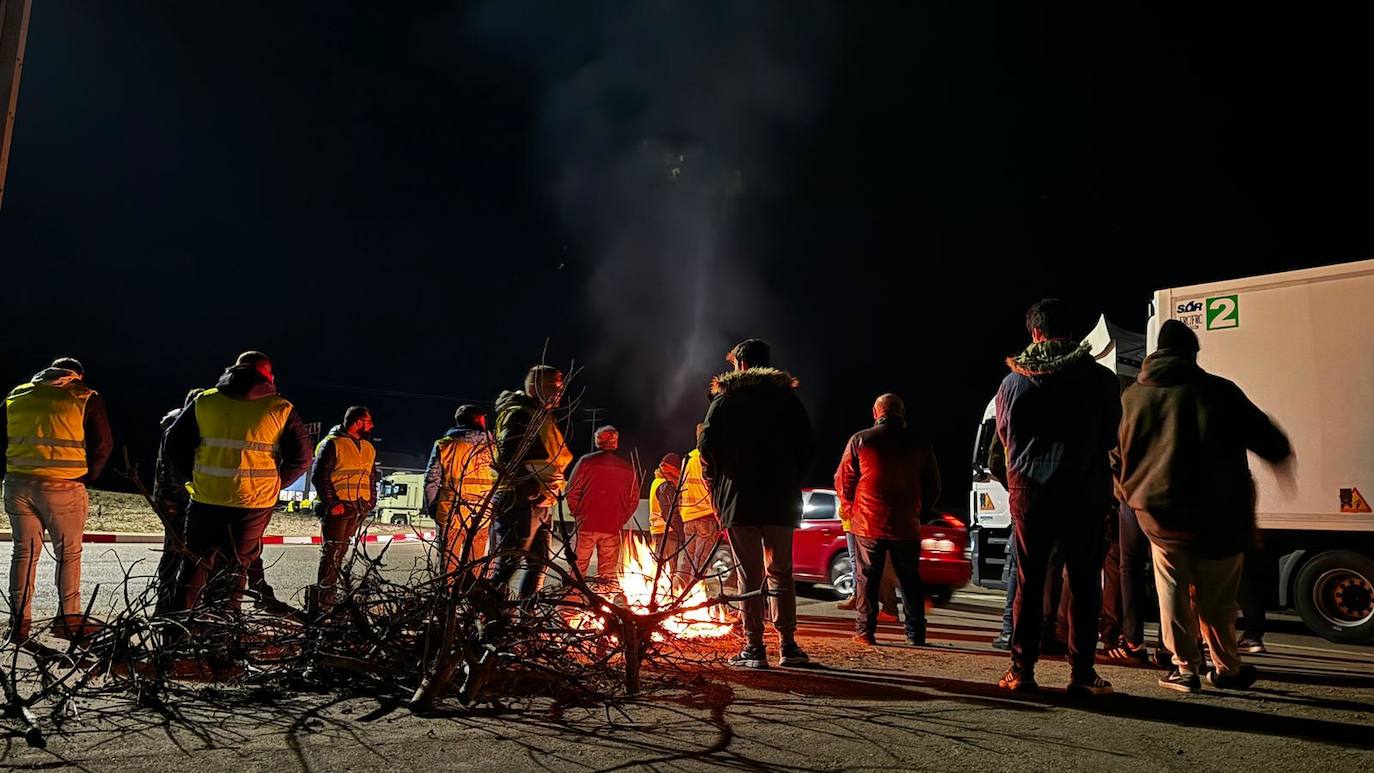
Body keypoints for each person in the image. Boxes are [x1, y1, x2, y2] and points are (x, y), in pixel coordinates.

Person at [1116, 320, 1293, 692]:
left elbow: (1115, 457)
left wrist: (1129, 494)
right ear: (1192, 354)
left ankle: (1184, 670)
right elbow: (1270, 441)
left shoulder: (1131, 398)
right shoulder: (1220, 391)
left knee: (1173, 593)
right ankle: (1226, 667)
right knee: (1217, 599)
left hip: (1160, 518)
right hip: (1220, 518)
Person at [995, 299, 1120, 696]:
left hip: (1031, 493)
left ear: (1034, 332)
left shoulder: (1013, 382)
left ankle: (1022, 671)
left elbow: (1004, 438)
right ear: (1073, 331)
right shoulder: (1100, 380)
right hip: (1085, 492)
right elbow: (1110, 437)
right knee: (1084, 584)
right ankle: (1082, 674)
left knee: (1030, 584)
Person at [166, 352, 312, 610]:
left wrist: (194, 477)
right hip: (253, 505)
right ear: (267, 375)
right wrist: (275, 486)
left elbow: (174, 443)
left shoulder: (205, 401)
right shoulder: (280, 408)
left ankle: (177, 633)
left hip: (206, 499)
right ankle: (224, 632)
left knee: (194, 565)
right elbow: (302, 458)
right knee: (236, 566)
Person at [700, 338, 812, 669]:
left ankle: (753, 648)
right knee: (782, 574)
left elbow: (706, 447)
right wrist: (789, 476)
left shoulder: (725, 401)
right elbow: (806, 444)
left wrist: (718, 483)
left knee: (749, 576)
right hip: (781, 499)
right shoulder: (788, 399)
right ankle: (788, 646)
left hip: (739, 500)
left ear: (742, 365)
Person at [2, 357, 113, 640]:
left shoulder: (18, 395)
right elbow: (103, 445)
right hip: (64, 485)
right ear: (77, 375)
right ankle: (68, 620)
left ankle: (19, 623)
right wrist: (86, 477)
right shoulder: (84, 396)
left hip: (17, 484)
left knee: (24, 555)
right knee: (68, 555)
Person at [835, 393, 940, 646]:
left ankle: (865, 632)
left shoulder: (861, 440)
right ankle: (916, 634)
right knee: (909, 579)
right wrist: (919, 513)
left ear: (875, 413)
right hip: (906, 524)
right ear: (902, 414)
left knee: (867, 577)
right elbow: (933, 486)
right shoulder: (920, 444)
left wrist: (852, 509)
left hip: (868, 523)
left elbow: (843, 481)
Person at [488, 365, 574, 599]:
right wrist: (530, 489)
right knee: (509, 564)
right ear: (536, 387)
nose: (559, 393)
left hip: (539, 502)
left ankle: (527, 618)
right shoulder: (520, 415)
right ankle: (488, 616)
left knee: (539, 564)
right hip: (520, 501)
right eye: (554, 387)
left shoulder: (539, 416)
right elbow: (507, 459)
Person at [310, 406, 378, 611]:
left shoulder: (368, 447)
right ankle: (325, 596)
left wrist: (370, 501)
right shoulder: (332, 444)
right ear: (358, 422)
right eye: (369, 422)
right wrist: (333, 504)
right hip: (339, 507)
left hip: (358, 506)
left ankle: (333, 591)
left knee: (342, 550)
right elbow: (319, 477)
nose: (372, 426)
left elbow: (371, 477)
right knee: (332, 551)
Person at [423, 405, 497, 575]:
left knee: (448, 566)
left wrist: (433, 507)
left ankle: (447, 599)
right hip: (482, 515)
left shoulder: (444, 445)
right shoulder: (493, 449)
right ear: (478, 420)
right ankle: (471, 597)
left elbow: (431, 480)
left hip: (450, 513)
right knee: (475, 564)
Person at [152, 387, 204, 613]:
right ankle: (168, 608)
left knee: (175, 553)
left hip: (170, 500)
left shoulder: (175, 428)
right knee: (176, 554)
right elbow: (172, 470)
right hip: (178, 500)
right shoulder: (182, 431)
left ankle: (169, 606)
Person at [566, 425, 638, 580]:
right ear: (615, 442)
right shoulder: (627, 468)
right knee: (607, 574)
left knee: (576, 571)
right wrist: (621, 518)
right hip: (612, 527)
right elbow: (633, 499)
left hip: (586, 525)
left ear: (598, 440)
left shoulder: (586, 462)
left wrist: (578, 513)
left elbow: (571, 491)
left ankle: (570, 601)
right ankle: (603, 600)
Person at [679, 425, 724, 587]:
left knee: (687, 560)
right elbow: (715, 487)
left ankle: (676, 594)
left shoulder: (688, 458)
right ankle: (693, 595)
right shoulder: (710, 457)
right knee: (701, 561)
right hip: (706, 515)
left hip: (688, 516)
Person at [648, 452, 685, 577]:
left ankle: (656, 591)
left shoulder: (657, 480)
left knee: (658, 568)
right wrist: (679, 530)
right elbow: (669, 512)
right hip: (667, 530)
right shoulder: (666, 484)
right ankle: (668, 593)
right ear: (674, 469)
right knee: (669, 570)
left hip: (658, 529)